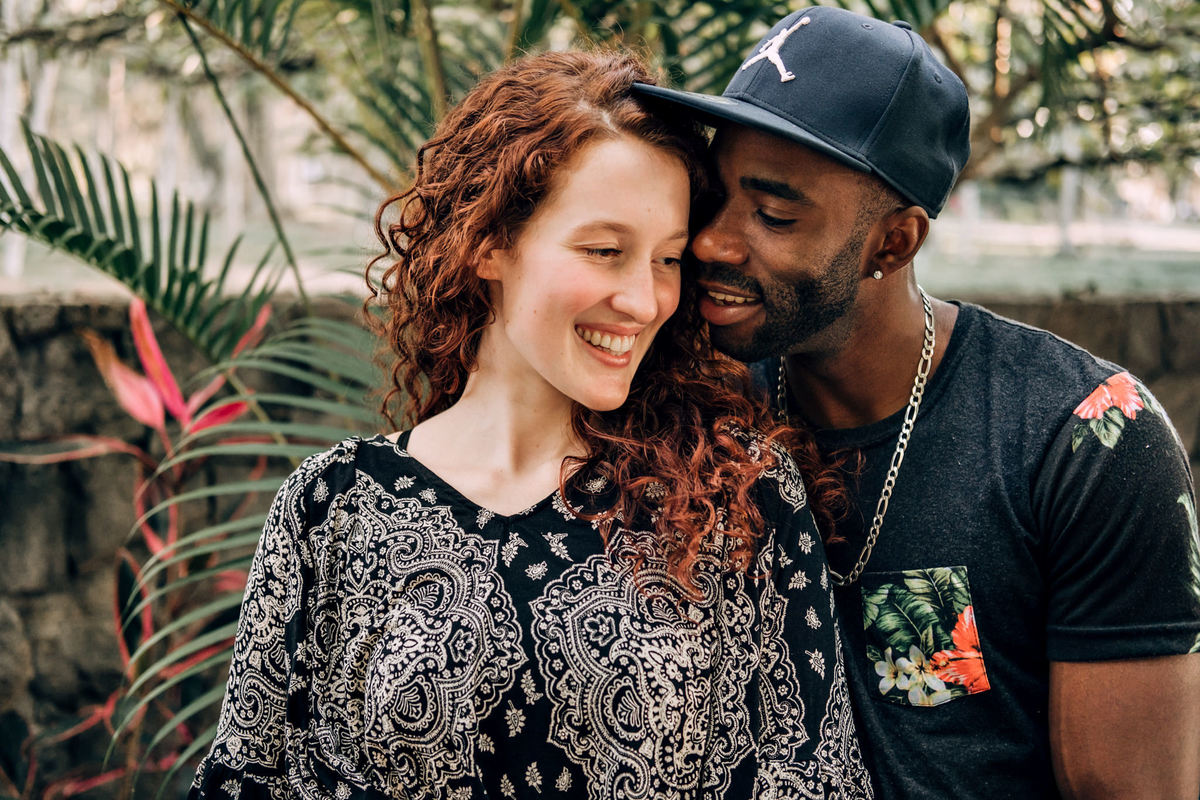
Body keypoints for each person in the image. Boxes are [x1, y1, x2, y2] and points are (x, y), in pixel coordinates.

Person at [188, 50, 874, 799]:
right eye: (605, 251)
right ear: (490, 242)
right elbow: (249, 778)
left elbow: (812, 777)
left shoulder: (736, 495)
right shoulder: (331, 507)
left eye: (667, 260)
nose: (645, 302)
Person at [635, 7, 1200, 799]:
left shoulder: (1087, 437)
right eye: (712, 197)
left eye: (773, 214)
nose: (711, 243)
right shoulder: (694, 405)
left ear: (893, 243)